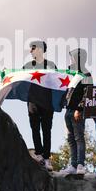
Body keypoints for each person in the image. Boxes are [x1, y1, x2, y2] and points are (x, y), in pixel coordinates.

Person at [22, 40, 57, 171]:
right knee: (34, 128)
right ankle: (39, 154)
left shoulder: (51, 65)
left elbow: (58, 82)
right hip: (32, 101)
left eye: (33, 48)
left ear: (40, 49)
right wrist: (7, 73)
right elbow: (17, 77)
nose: (30, 51)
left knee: (47, 130)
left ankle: (47, 158)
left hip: (47, 102)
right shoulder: (28, 65)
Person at [61, 48, 93, 175]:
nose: (71, 60)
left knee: (79, 137)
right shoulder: (72, 74)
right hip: (68, 110)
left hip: (77, 111)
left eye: (73, 57)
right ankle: (73, 164)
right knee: (70, 138)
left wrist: (79, 108)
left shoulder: (86, 74)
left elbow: (87, 93)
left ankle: (80, 164)